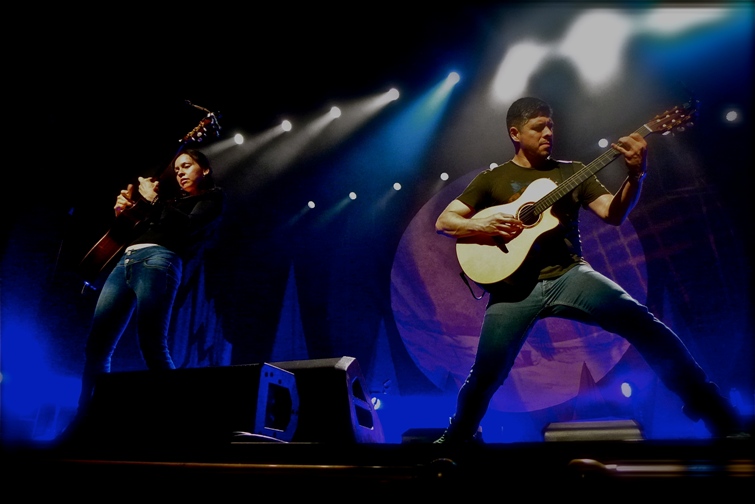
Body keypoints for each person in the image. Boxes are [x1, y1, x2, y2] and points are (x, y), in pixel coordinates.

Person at [433, 96, 746, 443]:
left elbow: (614, 214)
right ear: (515, 133)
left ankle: (719, 416)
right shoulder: (493, 179)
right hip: (512, 288)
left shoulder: (572, 171)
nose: (548, 132)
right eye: (539, 127)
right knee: (487, 371)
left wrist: (635, 175)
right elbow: (445, 221)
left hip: (569, 275)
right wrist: (483, 222)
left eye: (551, 125)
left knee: (645, 325)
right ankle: (456, 439)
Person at [72, 148, 225, 422]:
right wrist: (124, 212)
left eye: (187, 166)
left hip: (159, 260)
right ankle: (86, 422)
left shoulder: (212, 197)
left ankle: (180, 422)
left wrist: (154, 201)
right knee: (96, 348)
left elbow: (189, 225)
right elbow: (131, 229)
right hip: (125, 262)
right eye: (177, 168)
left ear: (204, 170)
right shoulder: (168, 201)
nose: (179, 172)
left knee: (152, 345)